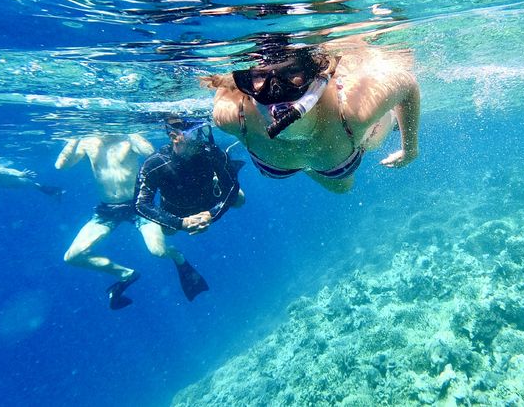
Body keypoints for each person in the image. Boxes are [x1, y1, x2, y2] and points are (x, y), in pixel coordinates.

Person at [200, 33, 420, 193]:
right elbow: (219, 86)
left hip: (357, 138)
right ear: (245, 83)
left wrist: (409, 148)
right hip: (330, 158)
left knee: (346, 183)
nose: (275, 89)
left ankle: (387, 124)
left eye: (292, 71)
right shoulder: (233, 117)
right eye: (259, 76)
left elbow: (407, 84)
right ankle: (306, 165)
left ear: (316, 76)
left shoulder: (352, 111)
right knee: (341, 187)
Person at [135, 115, 245, 302]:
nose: (200, 137)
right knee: (168, 232)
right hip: (175, 209)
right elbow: (140, 204)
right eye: (194, 133)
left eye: (202, 130)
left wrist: (212, 215)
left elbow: (233, 187)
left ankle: (216, 181)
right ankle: (177, 255)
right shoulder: (155, 163)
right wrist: (181, 223)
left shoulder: (210, 152)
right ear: (174, 136)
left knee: (240, 199)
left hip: (208, 200)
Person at [54, 133, 168, 310]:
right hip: (107, 210)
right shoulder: (86, 142)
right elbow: (60, 166)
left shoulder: (128, 138)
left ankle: (178, 258)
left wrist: (132, 134)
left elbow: (154, 156)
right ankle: (126, 274)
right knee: (72, 257)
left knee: (158, 251)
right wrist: (74, 138)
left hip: (138, 206)